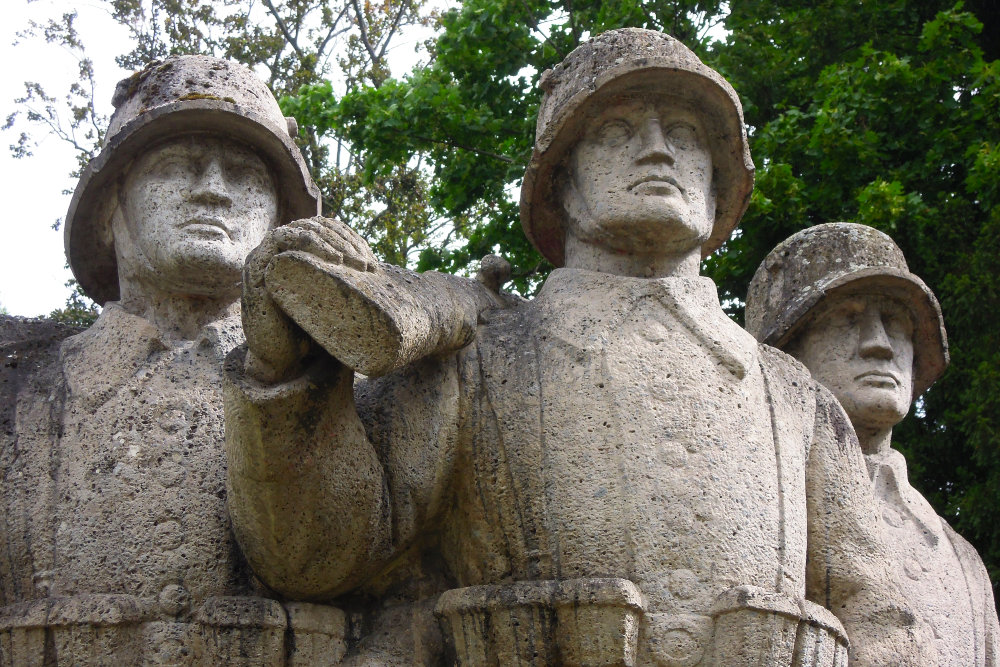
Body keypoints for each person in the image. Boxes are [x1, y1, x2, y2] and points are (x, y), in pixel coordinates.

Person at [225, 29, 934, 665]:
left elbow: (881, 617)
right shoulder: (473, 363)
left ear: (721, 189)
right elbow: (317, 556)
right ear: (558, 180)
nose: (657, 147)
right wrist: (285, 376)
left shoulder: (797, 399)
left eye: (685, 132)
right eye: (619, 129)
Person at [0, 56, 346, 665]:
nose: (213, 187)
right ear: (110, 212)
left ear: (280, 221)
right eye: (177, 166)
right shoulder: (18, 395)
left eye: (244, 174)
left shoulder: (347, 386)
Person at [746, 221, 1000, 666]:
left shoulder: (963, 562)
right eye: (846, 319)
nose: (879, 344)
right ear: (786, 348)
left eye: (897, 323)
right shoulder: (756, 508)